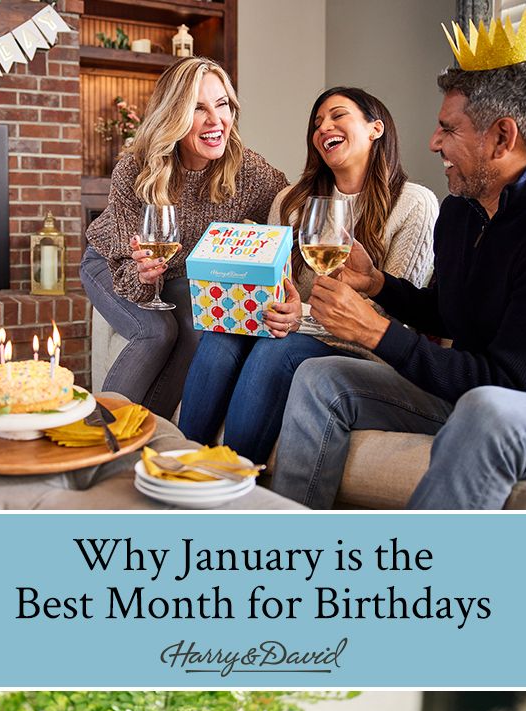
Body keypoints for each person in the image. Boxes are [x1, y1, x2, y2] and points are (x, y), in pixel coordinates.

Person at [271, 38, 526, 510]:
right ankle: (292, 544)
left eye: (449, 129)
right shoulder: (462, 212)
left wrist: (377, 331)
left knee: (488, 412)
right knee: (320, 376)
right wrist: (380, 285)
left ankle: (424, 578)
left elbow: (511, 383)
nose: (433, 142)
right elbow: (450, 314)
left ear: (502, 137)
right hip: (477, 390)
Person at [178, 87, 438, 462]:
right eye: (317, 123)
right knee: (221, 338)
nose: (323, 127)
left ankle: (232, 483)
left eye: (337, 115)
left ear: (375, 128)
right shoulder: (291, 201)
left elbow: (389, 314)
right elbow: (278, 294)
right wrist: (266, 292)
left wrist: (299, 318)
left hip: (361, 346)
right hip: (296, 331)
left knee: (276, 349)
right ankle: (181, 467)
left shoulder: (415, 203)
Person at [81, 57, 287, 417]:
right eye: (198, 108)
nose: (215, 121)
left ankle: (150, 435)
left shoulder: (246, 169)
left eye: (222, 104)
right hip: (112, 263)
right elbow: (129, 270)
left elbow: (289, 206)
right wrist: (144, 275)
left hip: (179, 273)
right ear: (173, 115)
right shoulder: (137, 168)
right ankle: (99, 435)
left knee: (195, 327)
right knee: (157, 332)